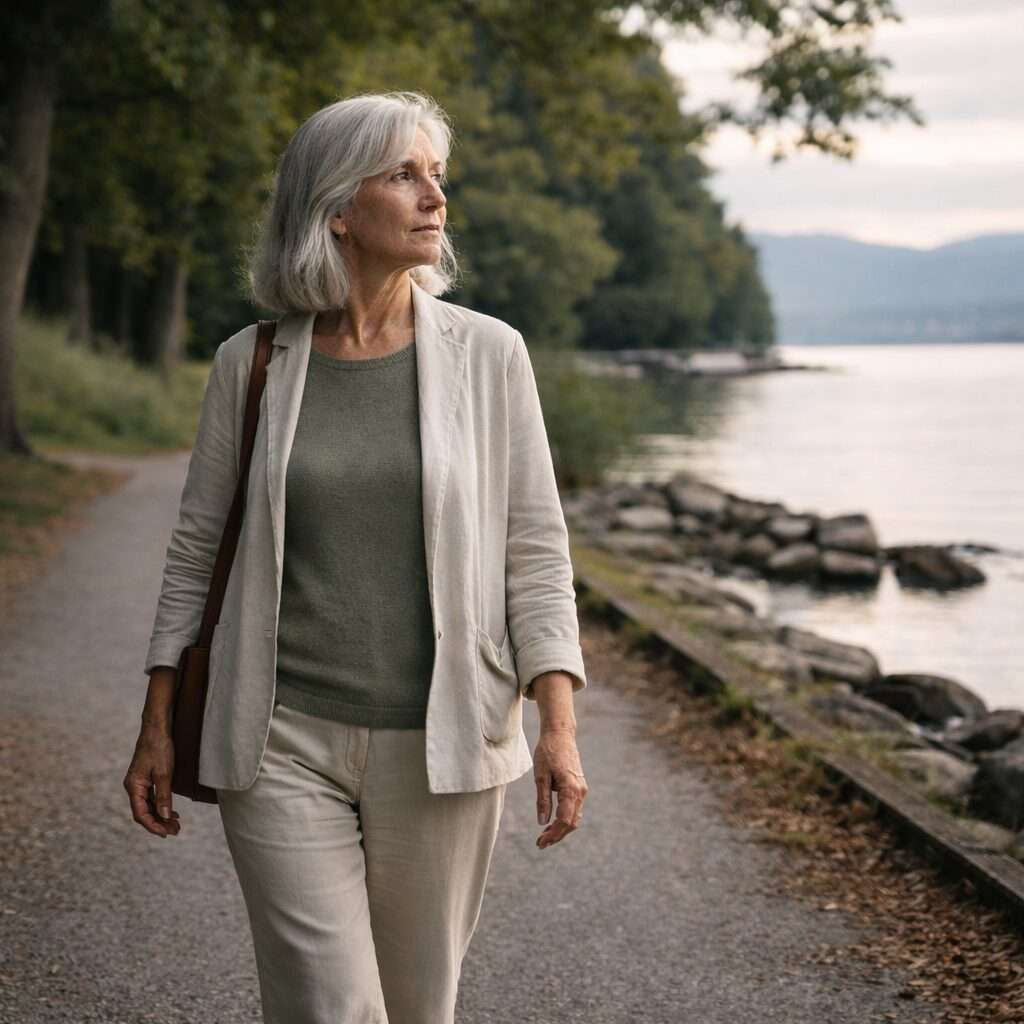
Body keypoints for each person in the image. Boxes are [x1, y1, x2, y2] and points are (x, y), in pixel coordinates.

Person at [123, 90, 590, 1024]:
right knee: (330, 1008)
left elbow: (535, 549)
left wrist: (560, 726)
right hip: (278, 736)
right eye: (404, 175)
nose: (435, 198)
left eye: (438, 176)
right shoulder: (250, 364)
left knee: (419, 1008)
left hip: (444, 741)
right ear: (337, 206)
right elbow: (194, 555)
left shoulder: (490, 356)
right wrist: (158, 720)